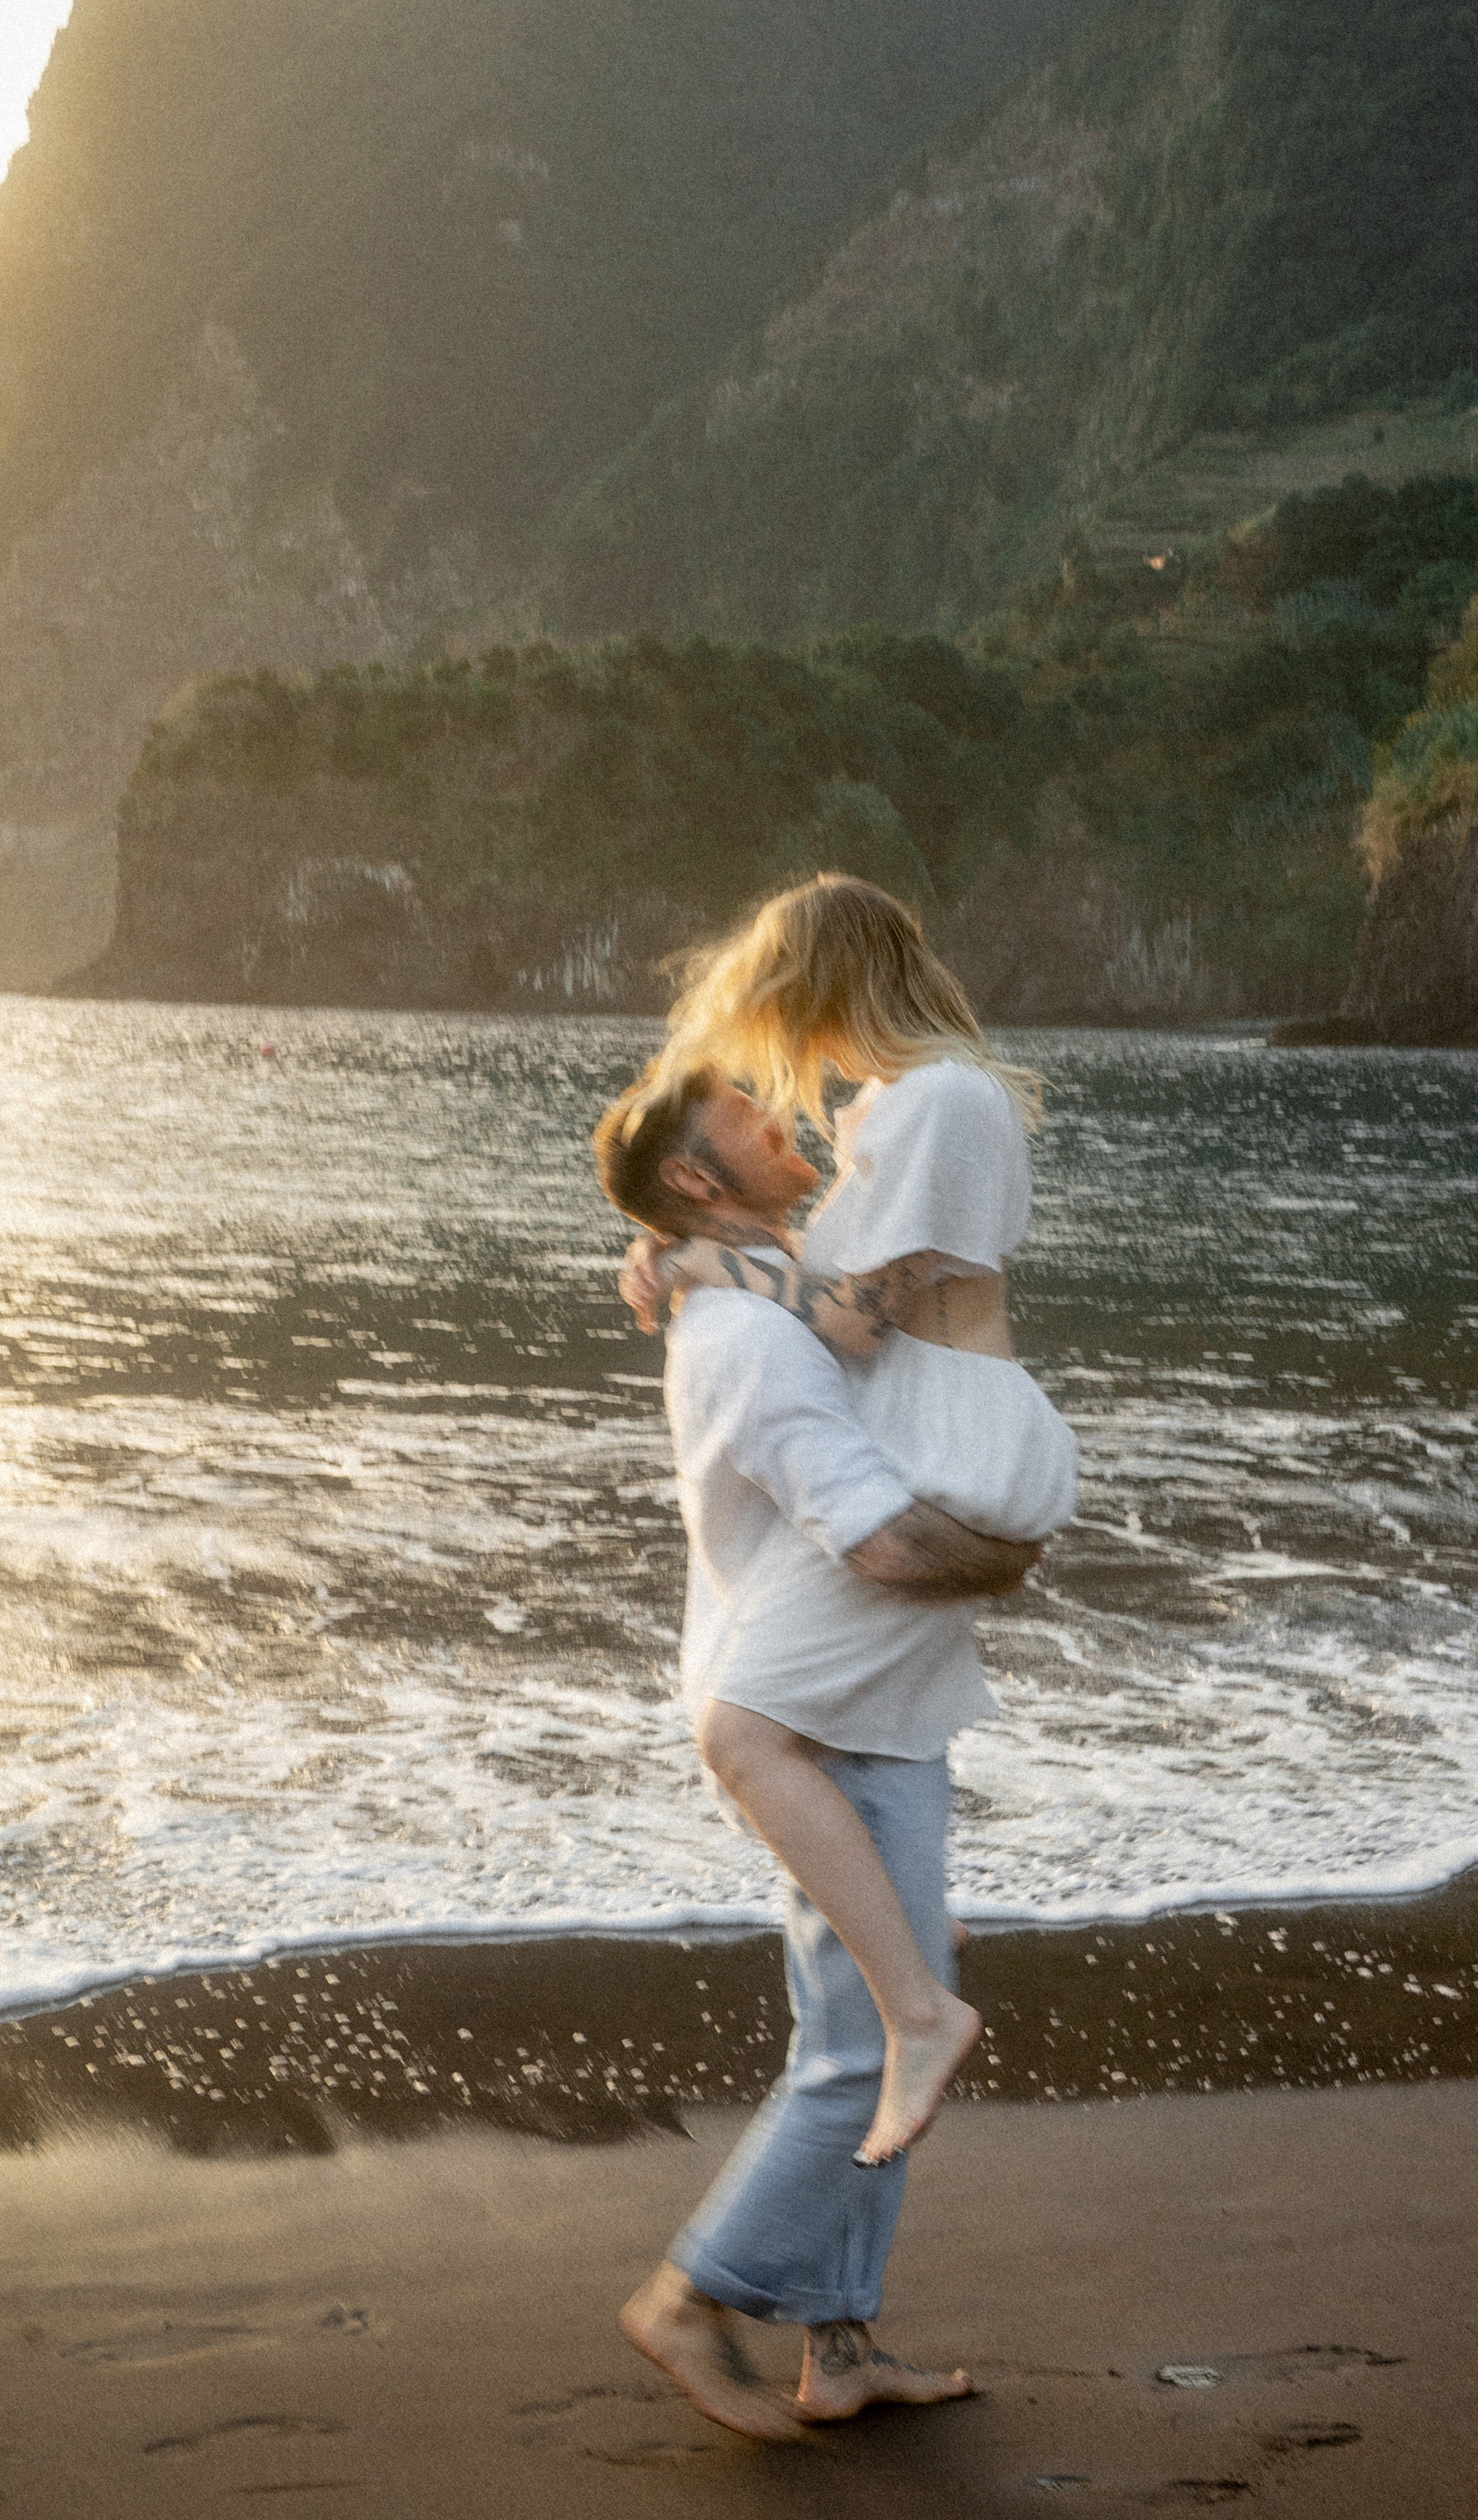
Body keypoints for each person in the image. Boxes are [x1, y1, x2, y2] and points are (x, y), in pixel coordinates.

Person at [595, 1060, 1036, 2438]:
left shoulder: (754, 1286)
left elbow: (857, 1293)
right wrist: (1015, 1550)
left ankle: (837, 2347)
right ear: (691, 1175)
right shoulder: (748, 1340)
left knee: (875, 2028)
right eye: (739, 1107)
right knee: (865, 2046)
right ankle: (686, 2296)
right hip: (813, 1714)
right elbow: (880, 1540)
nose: (779, 1107)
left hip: (868, 1707)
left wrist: (672, 1262)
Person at [619, 875, 1077, 2167]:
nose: (775, 1032)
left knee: (741, 1729)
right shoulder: (900, 1102)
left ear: (822, 984)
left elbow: (845, 1318)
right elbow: (827, 1289)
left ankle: (920, 2009)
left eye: (781, 990)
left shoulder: (937, 1099)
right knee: (780, 1718)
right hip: (936, 1430)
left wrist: (705, 1259)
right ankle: (910, 1921)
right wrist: (692, 1251)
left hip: (959, 1441)